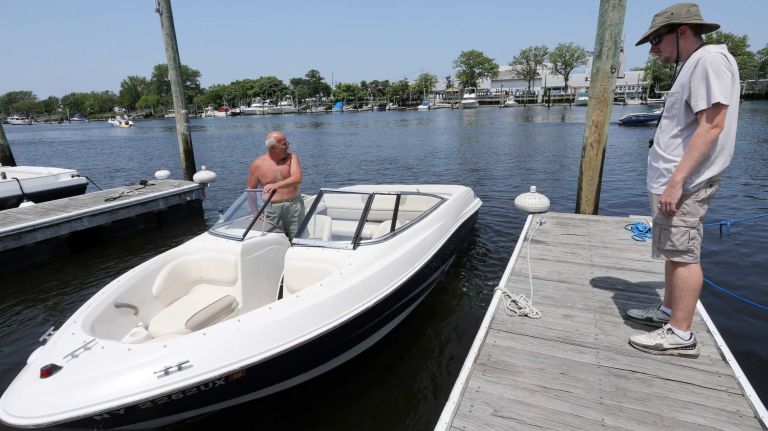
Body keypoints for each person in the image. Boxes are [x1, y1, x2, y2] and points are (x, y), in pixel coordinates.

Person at [626, 3, 740, 358]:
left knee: (683, 255)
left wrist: (676, 182)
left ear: (683, 31)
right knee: (672, 251)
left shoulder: (709, 61)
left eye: (657, 39)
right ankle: (667, 312)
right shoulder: (696, 64)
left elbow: (712, 125)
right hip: (673, 181)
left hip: (685, 183)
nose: (653, 49)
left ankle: (680, 333)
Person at [247, 131, 305, 240]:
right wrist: (255, 213)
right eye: (284, 144)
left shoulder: (292, 157)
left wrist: (275, 185)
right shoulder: (257, 164)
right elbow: (251, 190)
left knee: (299, 239)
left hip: (293, 206)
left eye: (287, 143)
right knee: (274, 239)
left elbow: (297, 179)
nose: (287, 147)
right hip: (271, 209)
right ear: (273, 147)